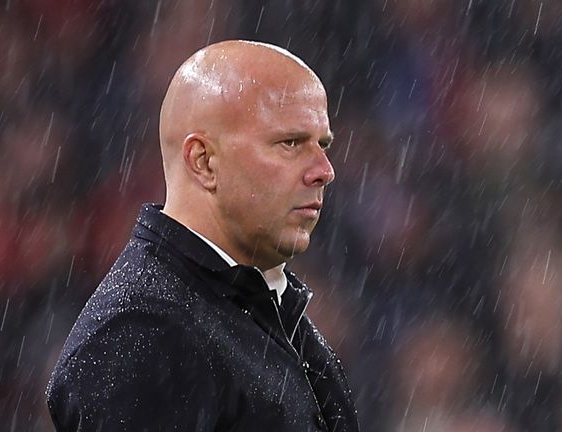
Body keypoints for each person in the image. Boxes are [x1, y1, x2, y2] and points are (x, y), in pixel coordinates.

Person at [46, 40, 360, 432]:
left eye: (323, 144)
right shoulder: (143, 334)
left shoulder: (259, 306)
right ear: (203, 161)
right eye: (291, 143)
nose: (324, 170)